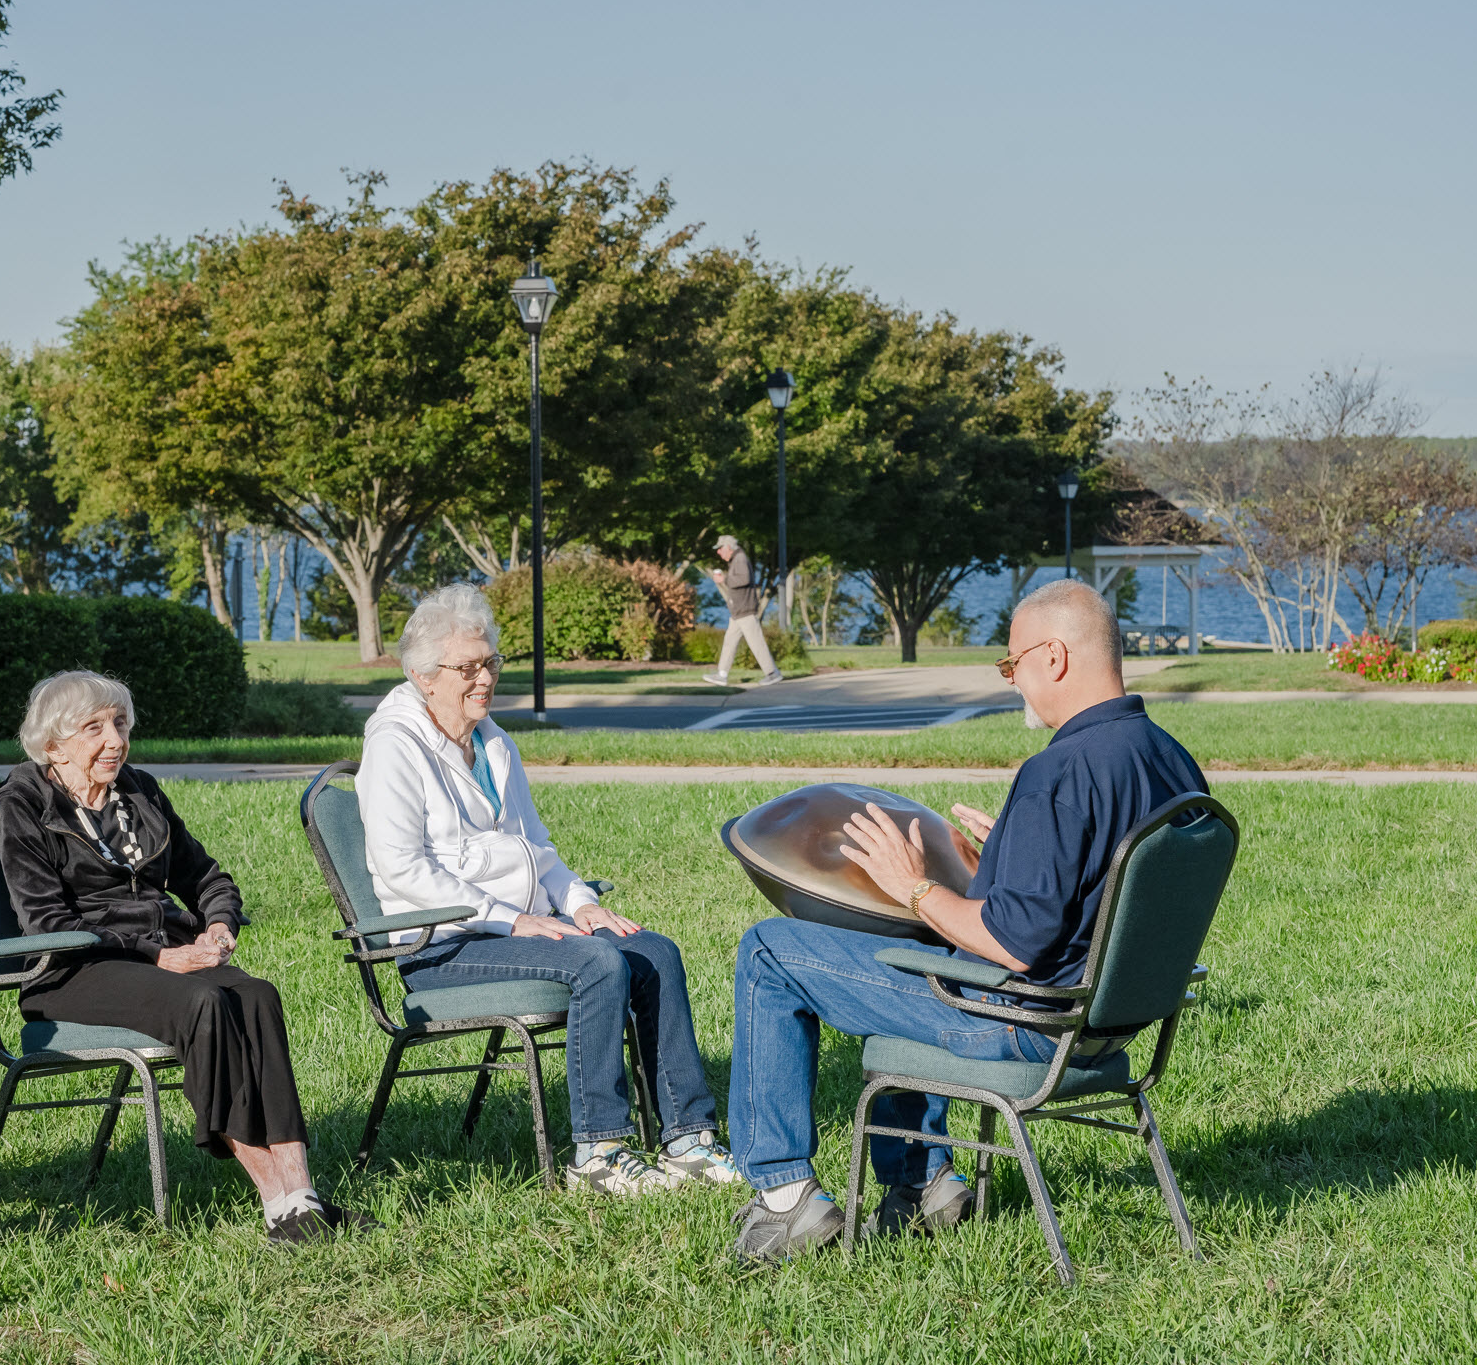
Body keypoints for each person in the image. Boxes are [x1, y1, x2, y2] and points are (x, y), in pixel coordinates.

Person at [724, 579, 1209, 1262]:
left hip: (1028, 1026)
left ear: (1053, 657)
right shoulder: (1172, 761)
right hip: (1111, 1030)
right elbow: (1096, 893)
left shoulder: (1060, 771)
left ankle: (785, 1200)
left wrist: (915, 886)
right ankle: (923, 1181)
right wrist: (1005, 861)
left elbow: (1012, 941)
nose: (1014, 683)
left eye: (1012, 666)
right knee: (910, 935)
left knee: (771, 951)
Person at [357, 583, 741, 1194]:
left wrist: (582, 903)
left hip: (513, 928)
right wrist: (511, 920)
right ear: (424, 676)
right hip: (439, 946)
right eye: (469, 668)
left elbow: (538, 848)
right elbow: (403, 869)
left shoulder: (492, 742)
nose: (485, 679)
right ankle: (599, 1153)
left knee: (655, 953)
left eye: (491, 663)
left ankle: (689, 1141)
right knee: (596, 963)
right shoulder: (393, 747)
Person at [0, 670, 369, 1243]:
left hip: (160, 955)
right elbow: (47, 923)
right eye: (93, 728)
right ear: (53, 747)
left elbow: (207, 877)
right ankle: (278, 1205)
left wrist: (218, 925)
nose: (115, 740)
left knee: (257, 995)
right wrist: (157, 954)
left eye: (119, 724)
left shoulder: (138, 791)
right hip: (71, 968)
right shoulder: (21, 805)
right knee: (205, 1004)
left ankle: (304, 1193)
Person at [701, 535, 782, 688]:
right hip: (739, 611)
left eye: (720, 549)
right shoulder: (737, 559)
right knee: (729, 642)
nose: (718, 552)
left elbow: (744, 579)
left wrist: (724, 579)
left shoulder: (740, 559)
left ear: (728, 548)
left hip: (745, 610)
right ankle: (722, 675)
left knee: (756, 642)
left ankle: (772, 673)